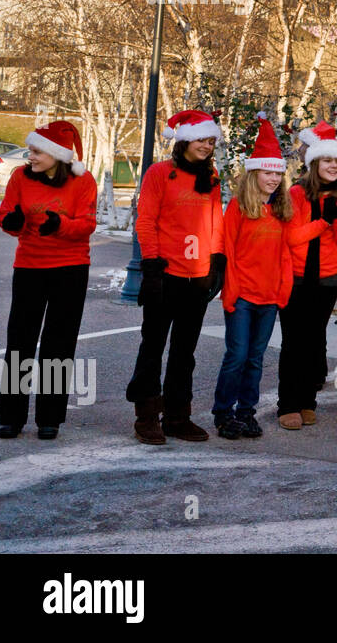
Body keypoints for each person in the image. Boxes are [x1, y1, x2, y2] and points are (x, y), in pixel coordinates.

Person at [126, 109, 226, 446]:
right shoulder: (159, 173)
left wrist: (216, 264)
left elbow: (215, 224)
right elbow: (146, 220)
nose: (207, 145)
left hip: (195, 278)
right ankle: (145, 416)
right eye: (201, 139)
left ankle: (177, 416)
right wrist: (151, 268)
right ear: (184, 140)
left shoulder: (211, 179)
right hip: (164, 275)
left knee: (186, 351)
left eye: (211, 140)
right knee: (152, 346)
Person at [0, 121, 96, 440]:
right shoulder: (20, 177)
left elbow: (87, 224)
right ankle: (11, 416)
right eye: (32, 150)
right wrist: (12, 222)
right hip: (29, 267)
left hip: (70, 268)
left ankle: (49, 418)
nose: (31, 156)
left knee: (58, 342)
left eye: (37, 151)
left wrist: (60, 225)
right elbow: (8, 216)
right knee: (20, 341)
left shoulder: (83, 181)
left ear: (56, 154)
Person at [212, 114, 293, 439]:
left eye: (278, 173)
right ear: (254, 172)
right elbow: (226, 250)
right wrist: (228, 292)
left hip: (270, 296)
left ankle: (246, 412)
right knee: (237, 355)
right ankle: (223, 413)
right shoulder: (239, 208)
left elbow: (288, 250)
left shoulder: (282, 210)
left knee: (256, 359)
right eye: (267, 172)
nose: (273, 178)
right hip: (242, 295)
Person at [278, 121, 337, 430]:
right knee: (293, 343)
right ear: (314, 163)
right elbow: (292, 238)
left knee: (314, 341)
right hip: (296, 278)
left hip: (326, 280)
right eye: (327, 160)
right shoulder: (297, 193)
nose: (333, 166)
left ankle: (307, 401)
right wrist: (323, 222)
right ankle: (288, 404)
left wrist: (335, 222)